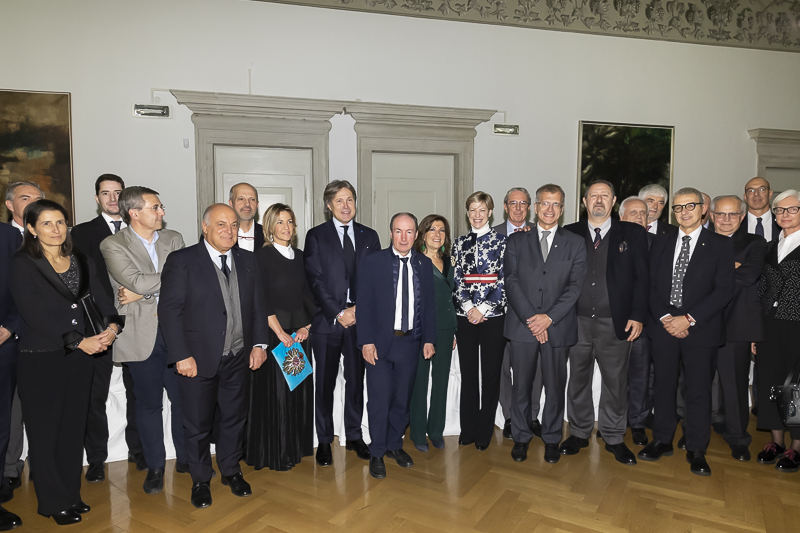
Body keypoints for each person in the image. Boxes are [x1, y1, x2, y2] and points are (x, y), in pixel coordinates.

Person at [9, 200, 123, 525]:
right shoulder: (23, 264)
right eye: (47, 223)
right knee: (46, 433)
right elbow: (34, 315)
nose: (56, 229)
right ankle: (52, 502)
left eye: (61, 222)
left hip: (81, 359)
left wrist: (113, 328)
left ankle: (71, 495)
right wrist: (78, 341)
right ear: (31, 228)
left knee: (74, 429)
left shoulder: (81, 259)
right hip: (42, 359)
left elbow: (102, 298)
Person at [159, 204, 269, 509]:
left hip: (238, 357)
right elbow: (169, 312)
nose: (229, 231)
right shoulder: (182, 261)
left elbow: (258, 306)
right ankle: (200, 480)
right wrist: (181, 355)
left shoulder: (248, 260)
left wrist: (260, 345)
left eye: (234, 225)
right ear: (205, 227)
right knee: (197, 423)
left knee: (234, 419)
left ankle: (231, 471)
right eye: (221, 225)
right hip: (197, 359)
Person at [638, 187, 734, 476]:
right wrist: (668, 318)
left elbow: (724, 291)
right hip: (664, 327)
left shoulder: (720, 245)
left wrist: (689, 319)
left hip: (701, 330)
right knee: (664, 387)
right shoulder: (661, 242)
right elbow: (650, 285)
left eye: (689, 206)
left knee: (698, 392)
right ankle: (663, 440)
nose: (684, 212)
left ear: (703, 208)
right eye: (678, 208)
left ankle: (696, 449)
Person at [100, 187, 187, 495]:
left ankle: (187, 459)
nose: (162, 212)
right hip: (140, 339)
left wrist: (143, 292)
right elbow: (134, 281)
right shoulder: (112, 244)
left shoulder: (173, 239)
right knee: (148, 406)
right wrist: (147, 287)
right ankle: (155, 467)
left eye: (161, 206)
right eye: (155, 207)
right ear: (134, 213)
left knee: (183, 401)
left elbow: (185, 278)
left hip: (177, 334)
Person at [562, 181, 648, 465]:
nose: (599, 200)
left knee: (615, 382)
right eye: (593, 196)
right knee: (577, 380)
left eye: (605, 196)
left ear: (614, 202)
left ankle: (612, 436)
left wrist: (637, 315)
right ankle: (578, 432)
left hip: (617, 322)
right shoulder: (569, 233)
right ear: (584, 201)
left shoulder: (633, 234)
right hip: (576, 321)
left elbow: (641, 280)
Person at [504, 184, 587, 463]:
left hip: (558, 326)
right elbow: (511, 281)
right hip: (522, 327)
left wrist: (548, 318)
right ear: (536, 207)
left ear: (562, 210)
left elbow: (575, 286)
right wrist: (532, 319)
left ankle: (552, 438)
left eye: (556, 205)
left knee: (554, 386)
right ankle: (521, 437)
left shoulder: (575, 243)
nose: (550, 209)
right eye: (545, 204)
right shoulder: (515, 242)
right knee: (521, 386)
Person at [70, 174, 145, 481]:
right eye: (106, 193)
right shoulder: (82, 233)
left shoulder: (142, 227)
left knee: (138, 390)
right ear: (97, 198)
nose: (113, 198)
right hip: (99, 324)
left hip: (138, 321)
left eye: (118, 193)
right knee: (94, 395)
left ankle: (138, 450)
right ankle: (97, 459)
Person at [304, 180, 380, 466]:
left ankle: (354, 435)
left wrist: (359, 310)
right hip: (327, 323)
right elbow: (315, 280)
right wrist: (339, 312)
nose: (345, 206)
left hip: (361, 322)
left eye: (349, 200)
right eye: (339, 201)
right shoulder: (316, 236)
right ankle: (324, 440)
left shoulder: (369, 236)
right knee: (323, 384)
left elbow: (376, 279)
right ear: (328, 205)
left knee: (355, 382)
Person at [357, 213, 436, 479]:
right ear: (391, 232)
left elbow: (429, 307)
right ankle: (377, 452)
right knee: (379, 400)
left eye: (409, 231)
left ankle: (394, 445)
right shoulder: (373, 263)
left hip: (410, 344)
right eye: (399, 231)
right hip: (379, 344)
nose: (404, 237)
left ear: (416, 234)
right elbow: (364, 305)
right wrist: (366, 341)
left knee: (402, 401)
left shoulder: (424, 264)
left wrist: (429, 339)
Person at [245, 203, 315, 471]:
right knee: (277, 398)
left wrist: (305, 328)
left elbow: (309, 294)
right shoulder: (260, 257)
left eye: (290, 222)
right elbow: (259, 300)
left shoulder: (300, 256)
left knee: (297, 392)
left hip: (298, 337)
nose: (287, 227)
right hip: (275, 338)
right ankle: (278, 453)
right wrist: (280, 333)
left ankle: (295, 448)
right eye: (280, 222)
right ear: (270, 227)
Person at [709, 195, 766, 461]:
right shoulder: (701, 241)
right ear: (711, 215)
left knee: (734, 384)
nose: (726, 219)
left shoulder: (755, 242)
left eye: (732, 214)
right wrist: (730, 268)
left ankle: (738, 438)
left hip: (737, 323)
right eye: (721, 214)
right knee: (698, 382)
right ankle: (703, 426)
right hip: (703, 322)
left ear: (742, 217)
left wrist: (713, 272)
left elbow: (749, 275)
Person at [453, 192, 507, 451]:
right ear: (467, 213)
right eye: (472, 210)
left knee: (491, 375)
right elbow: (456, 279)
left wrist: (483, 308)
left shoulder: (503, 242)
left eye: (482, 210)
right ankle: (468, 428)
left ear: (490, 212)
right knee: (469, 375)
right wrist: (467, 307)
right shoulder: (458, 243)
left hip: (493, 317)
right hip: (465, 317)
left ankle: (485, 430)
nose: (477, 214)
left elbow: (504, 280)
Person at [1, 182, 43, 503]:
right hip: (7, 340)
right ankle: (8, 469)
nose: (33, 204)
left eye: (38, 200)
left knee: (44, 407)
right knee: (9, 409)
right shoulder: (2, 237)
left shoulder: (53, 238)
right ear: (10, 204)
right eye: (26, 198)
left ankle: (43, 466)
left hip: (44, 340)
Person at [754, 190, 800, 472]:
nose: (784, 214)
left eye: (791, 209)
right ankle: (776, 441)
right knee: (769, 381)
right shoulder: (770, 246)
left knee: (795, 386)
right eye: (779, 210)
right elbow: (761, 288)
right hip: (769, 324)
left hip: (797, 324)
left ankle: (796, 447)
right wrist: (755, 330)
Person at [494, 188, 543, 441]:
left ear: (530, 207)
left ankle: (532, 415)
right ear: (505, 207)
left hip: (530, 314)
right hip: (500, 314)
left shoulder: (541, 234)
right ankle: (511, 416)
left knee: (533, 369)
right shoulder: (492, 235)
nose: (518, 208)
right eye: (513, 203)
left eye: (523, 203)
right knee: (503, 368)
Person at [409, 215, 457, 452]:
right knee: (420, 382)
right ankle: (417, 433)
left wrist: (454, 330)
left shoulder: (450, 261)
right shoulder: (414, 262)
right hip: (421, 329)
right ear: (422, 234)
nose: (437, 234)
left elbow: (453, 297)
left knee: (441, 382)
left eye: (442, 230)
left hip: (447, 328)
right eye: (432, 229)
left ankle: (436, 430)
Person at [619, 197, 655, 445]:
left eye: (643, 213)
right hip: (614, 322)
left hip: (645, 322)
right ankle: (615, 422)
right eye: (633, 213)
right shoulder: (611, 242)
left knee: (641, 375)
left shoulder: (659, 243)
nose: (640, 217)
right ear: (621, 216)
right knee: (615, 377)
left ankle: (638, 423)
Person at [0, 222, 22, 531]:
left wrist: (9, 326)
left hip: (3, 344)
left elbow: (22, 289)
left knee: (1, 427)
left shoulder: (8, 236)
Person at [737, 177, 780, 243]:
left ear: (770, 194)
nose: (756, 194)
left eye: (762, 189)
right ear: (745, 197)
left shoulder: (782, 224)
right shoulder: (736, 225)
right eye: (751, 191)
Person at [228, 182, 264, 251]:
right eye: (241, 199)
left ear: (257, 204)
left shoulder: (269, 235)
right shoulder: (219, 234)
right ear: (231, 203)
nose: (247, 203)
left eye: (252, 199)